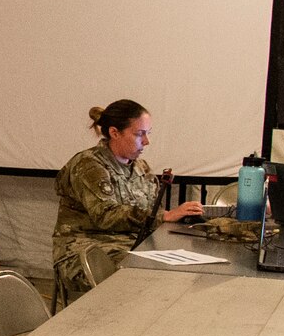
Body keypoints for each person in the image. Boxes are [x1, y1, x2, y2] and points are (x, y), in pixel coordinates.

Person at [52, 99, 205, 297]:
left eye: (148, 134)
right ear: (115, 133)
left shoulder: (140, 168)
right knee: (141, 279)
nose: (147, 142)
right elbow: (105, 215)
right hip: (86, 250)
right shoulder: (89, 166)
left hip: (132, 245)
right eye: (139, 134)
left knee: (174, 272)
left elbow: (147, 210)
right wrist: (164, 216)